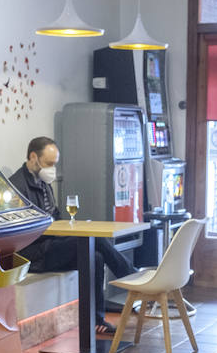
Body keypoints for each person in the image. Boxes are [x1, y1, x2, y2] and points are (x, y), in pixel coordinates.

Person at [11, 136, 137, 335]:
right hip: (33, 253)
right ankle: (132, 278)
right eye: (49, 163)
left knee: (95, 257)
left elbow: (55, 216)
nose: (52, 169)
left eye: (55, 164)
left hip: (49, 244)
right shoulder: (18, 186)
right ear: (33, 157)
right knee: (94, 241)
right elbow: (26, 230)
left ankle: (96, 320)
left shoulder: (42, 181)